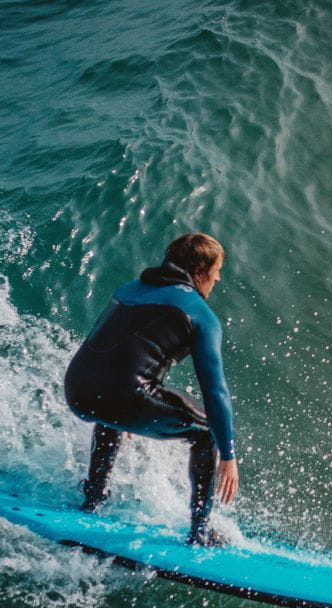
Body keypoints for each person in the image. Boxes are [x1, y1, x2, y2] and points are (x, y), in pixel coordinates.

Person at [63, 233, 239, 546]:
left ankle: (93, 499)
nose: (218, 277)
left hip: (78, 390)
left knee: (110, 410)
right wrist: (228, 454)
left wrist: (127, 410)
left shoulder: (127, 290)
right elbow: (215, 392)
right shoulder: (200, 314)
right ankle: (200, 533)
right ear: (199, 273)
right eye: (216, 270)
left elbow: (108, 352)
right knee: (206, 431)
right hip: (124, 396)